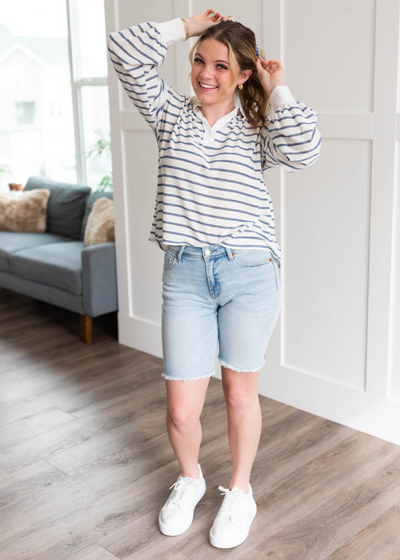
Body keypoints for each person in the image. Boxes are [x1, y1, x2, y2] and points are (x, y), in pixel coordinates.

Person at [107, 8, 321, 549]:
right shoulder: (169, 114)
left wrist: (277, 86)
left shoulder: (258, 127)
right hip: (184, 272)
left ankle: (241, 492)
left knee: (238, 394)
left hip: (249, 271)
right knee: (181, 407)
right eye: (199, 62)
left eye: (222, 66)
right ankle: (190, 480)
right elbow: (123, 51)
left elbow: (306, 148)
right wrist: (185, 26)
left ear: (243, 74)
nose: (206, 73)